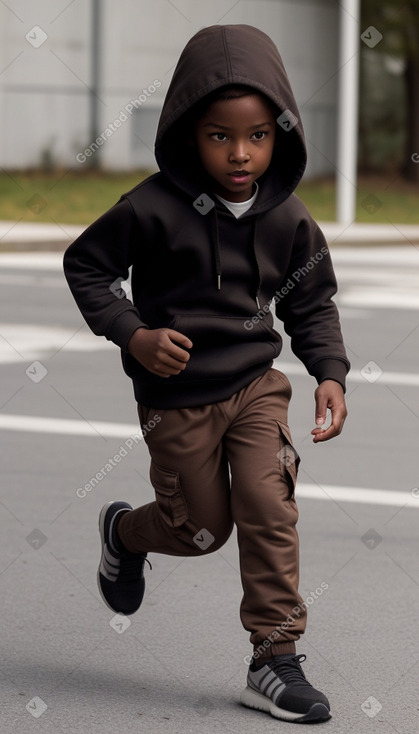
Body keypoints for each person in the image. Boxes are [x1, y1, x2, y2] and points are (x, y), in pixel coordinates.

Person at [63, 24, 349, 724]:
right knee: (200, 530)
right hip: (178, 399)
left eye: (256, 135)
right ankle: (125, 535)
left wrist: (330, 374)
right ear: (191, 133)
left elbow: (310, 301)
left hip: (255, 384)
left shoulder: (288, 218)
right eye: (220, 135)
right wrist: (133, 335)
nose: (240, 152)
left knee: (268, 501)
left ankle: (274, 659)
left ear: (280, 134)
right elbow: (88, 268)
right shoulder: (150, 208)